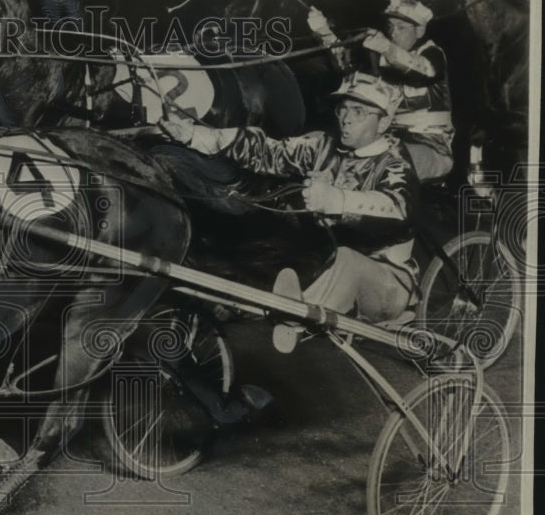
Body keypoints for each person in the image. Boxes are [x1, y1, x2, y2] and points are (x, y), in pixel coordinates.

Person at [160, 72, 421, 328]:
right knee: (267, 241)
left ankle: (290, 314)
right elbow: (268, 151)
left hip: (386, 282)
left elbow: (396, 207)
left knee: (347, 260)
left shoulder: (396, 164)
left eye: (359, 112)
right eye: (343, 109)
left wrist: (336, 200)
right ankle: (239, 296)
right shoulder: (323, 145)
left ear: (384, 123)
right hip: (325, 261)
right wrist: (197, 136)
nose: (346, 120)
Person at [308, 0, 454, 183]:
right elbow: (349, 67)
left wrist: (387, 48)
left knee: (388, 160)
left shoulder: (433, 54)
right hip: (383, 138)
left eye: (401, 28)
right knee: (326, 147)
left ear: (419, 30)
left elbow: (423, 71)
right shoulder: (380, 57)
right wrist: (324, 32)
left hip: (431, 146)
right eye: (390, 27)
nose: (393, 34)